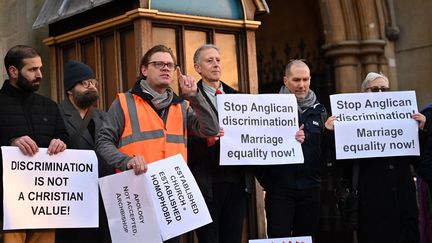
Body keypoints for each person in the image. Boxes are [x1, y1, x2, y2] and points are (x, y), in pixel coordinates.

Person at [95, 44, 219, 243]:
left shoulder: (182, 106)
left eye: (170, 65)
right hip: (135, 197)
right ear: (144, 70)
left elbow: (211, 129)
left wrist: (195, 97)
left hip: (170, 198)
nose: (166, 68)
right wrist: (126, 160)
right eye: (159, 64)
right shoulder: (124, 102)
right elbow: (103, 142)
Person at [326, 72, 422, 243]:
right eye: (374, 89)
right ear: (364, 94)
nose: (380, 94)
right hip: (371, 201)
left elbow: (418, 160)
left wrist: (420, 129)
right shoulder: (350, 122)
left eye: (384, 90)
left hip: (402, 199)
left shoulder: (404, 119)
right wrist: (331, 133)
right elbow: (340, 162)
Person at [0, 45, 69, 243]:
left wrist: (61, 143)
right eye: (32, 70)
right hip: (7, 208)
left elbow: (64, 136)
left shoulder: (49, 106)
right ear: (13, 71)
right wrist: (10, 143)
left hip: (44, 204)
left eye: (40, 68)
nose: (39, 74)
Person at [256, 60, 329, 239]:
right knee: (279, 238)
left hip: (310, 189)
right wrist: (270, 182)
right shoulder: (269, 109)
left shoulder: (320, 111)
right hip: (280, 191)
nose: (301, 85)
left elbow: (326, 152)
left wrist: (328, 132)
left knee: (306, 238)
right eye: (296, 80)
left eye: (305, 79)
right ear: (285, 80)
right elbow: (256, 146)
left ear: (310, 80)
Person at [187, 44, 251, 243]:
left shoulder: (240, 98)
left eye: (218, 60)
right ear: (197, 68)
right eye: (209, 61)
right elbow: (183, 142)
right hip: (207, 184)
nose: (215, 64)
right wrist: (207, 141)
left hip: (237, 182)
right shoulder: (189, 100)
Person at [56, 60, 112, 243]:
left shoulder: (103, 116)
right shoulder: (56, 113)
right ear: (70, 89)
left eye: (93, 82)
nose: (92, 87)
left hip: (102, 194)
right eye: (85, 83)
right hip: (71, 197)